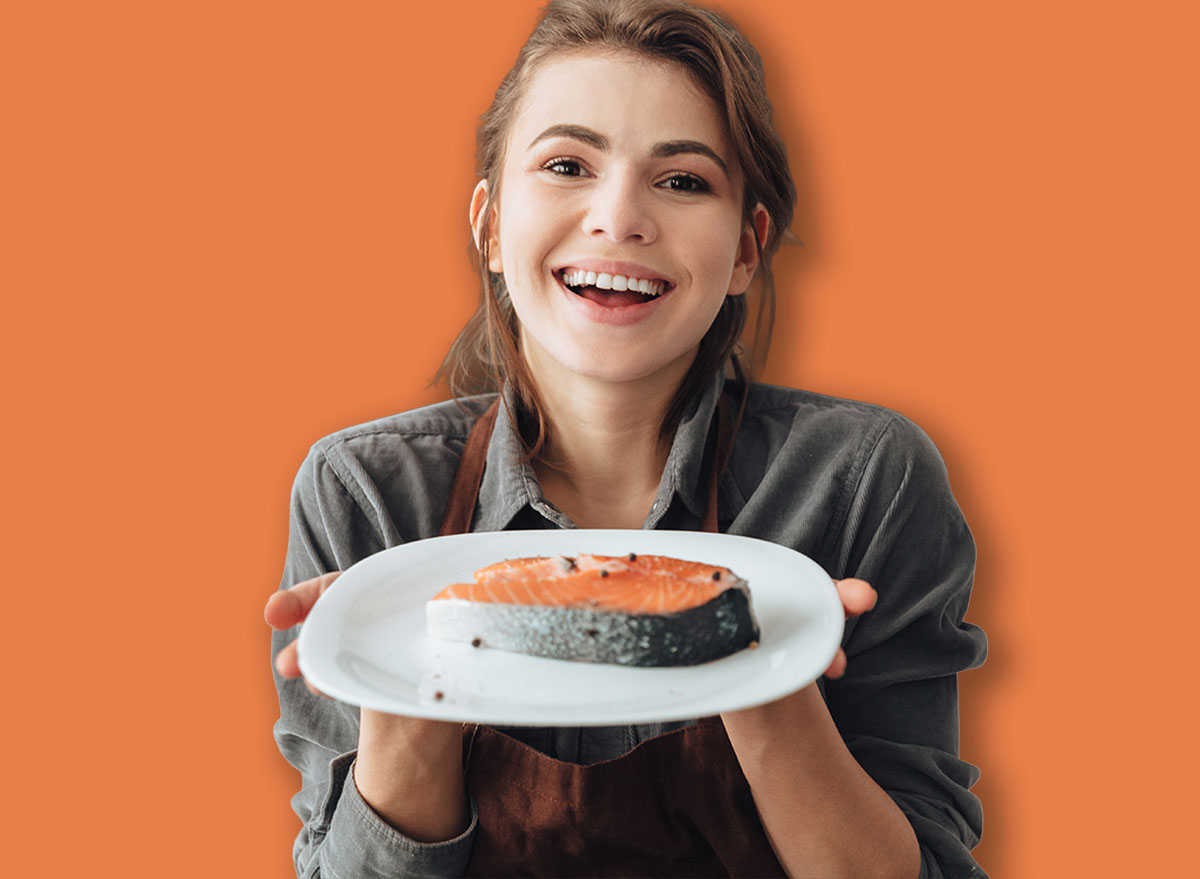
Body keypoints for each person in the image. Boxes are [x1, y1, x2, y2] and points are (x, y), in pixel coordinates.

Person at [265, 0, 988, 876]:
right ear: (491, 226)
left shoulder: (864, 482)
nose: (619, 218)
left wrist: (760, 672)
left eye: (682, 181)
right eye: (568, 164)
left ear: (747, 250)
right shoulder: (366, 495)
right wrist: (399, 686)